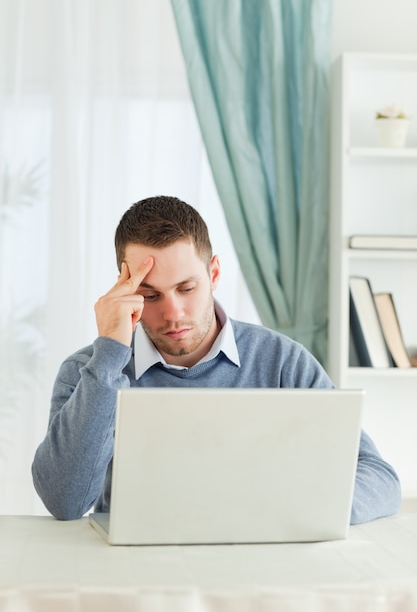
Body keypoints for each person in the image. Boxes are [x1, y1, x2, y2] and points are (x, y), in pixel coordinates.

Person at [32, 196, 401, 523]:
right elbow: (65, 502)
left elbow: (379, 478)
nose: (173, 313)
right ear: (124, 291)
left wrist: (291, 510)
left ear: (215, 274)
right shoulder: (89, 371)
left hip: (258, 569)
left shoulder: (282, 361)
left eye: (186, 288)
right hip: (135, 577)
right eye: (150, 295)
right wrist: (110, 351)